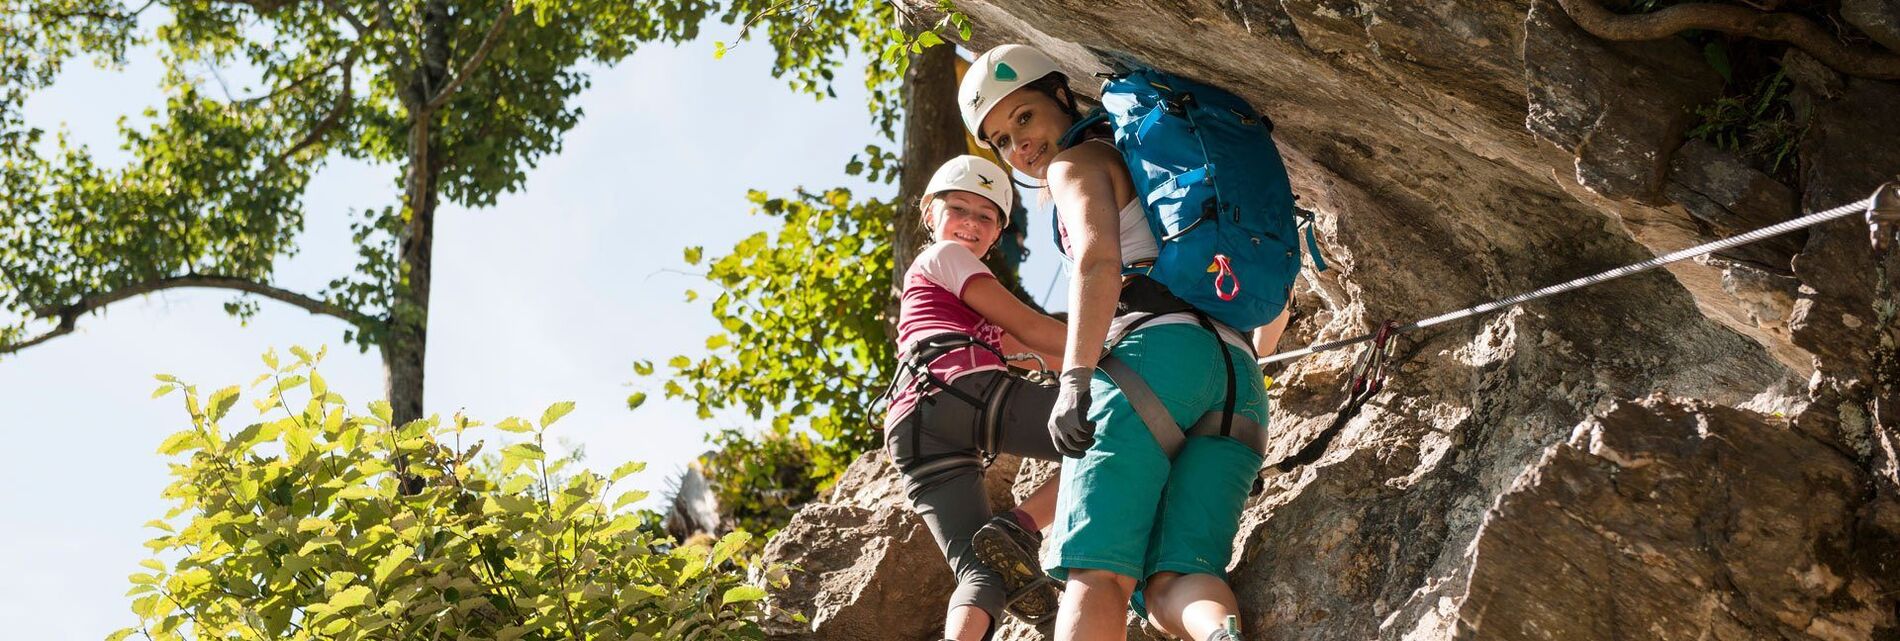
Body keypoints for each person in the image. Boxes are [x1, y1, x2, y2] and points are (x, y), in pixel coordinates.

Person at [958, 45, 1294, 641]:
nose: (1019, 146)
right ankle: (1220, 633)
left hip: (1149, 361)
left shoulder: (1078, 164)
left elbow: (1097, 262)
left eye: (1025, 117)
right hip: (1237, 376)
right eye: (1002, 140)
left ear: (1063, 96)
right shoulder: (1155, 167)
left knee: (1098, 573)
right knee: (1175, 580)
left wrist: (1075, 380)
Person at [885, 154, 1072, 640]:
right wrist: (1119, 353)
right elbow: (1033, 329)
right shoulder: (942, 258)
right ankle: (1020, 526)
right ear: (929, 215)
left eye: (985, 216)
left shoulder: (949, 296)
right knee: (1119, 430)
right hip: (956, 389)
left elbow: (1032, 347)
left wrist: (1077, 352)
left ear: (996, 233)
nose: (970, 223)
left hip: (912, 426)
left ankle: (1003, 548)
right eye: (958, 209)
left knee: (979, 571)